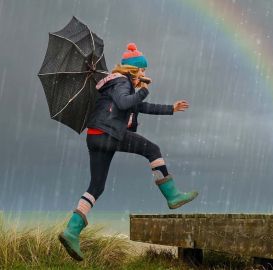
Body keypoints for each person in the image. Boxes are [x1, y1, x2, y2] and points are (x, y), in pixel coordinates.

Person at [58, 42, 199, 261]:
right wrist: (142, 89)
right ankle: (172, 195)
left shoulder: (114, 85)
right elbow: (125, 103)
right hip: (110, 133)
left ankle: (72, 230)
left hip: (95, 136)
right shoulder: (122, 82)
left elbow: (139, 106)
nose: (144, 74)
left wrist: (170, 108)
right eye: (142, 70)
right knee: (153, 149)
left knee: (96, 187)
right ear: (133, 70)